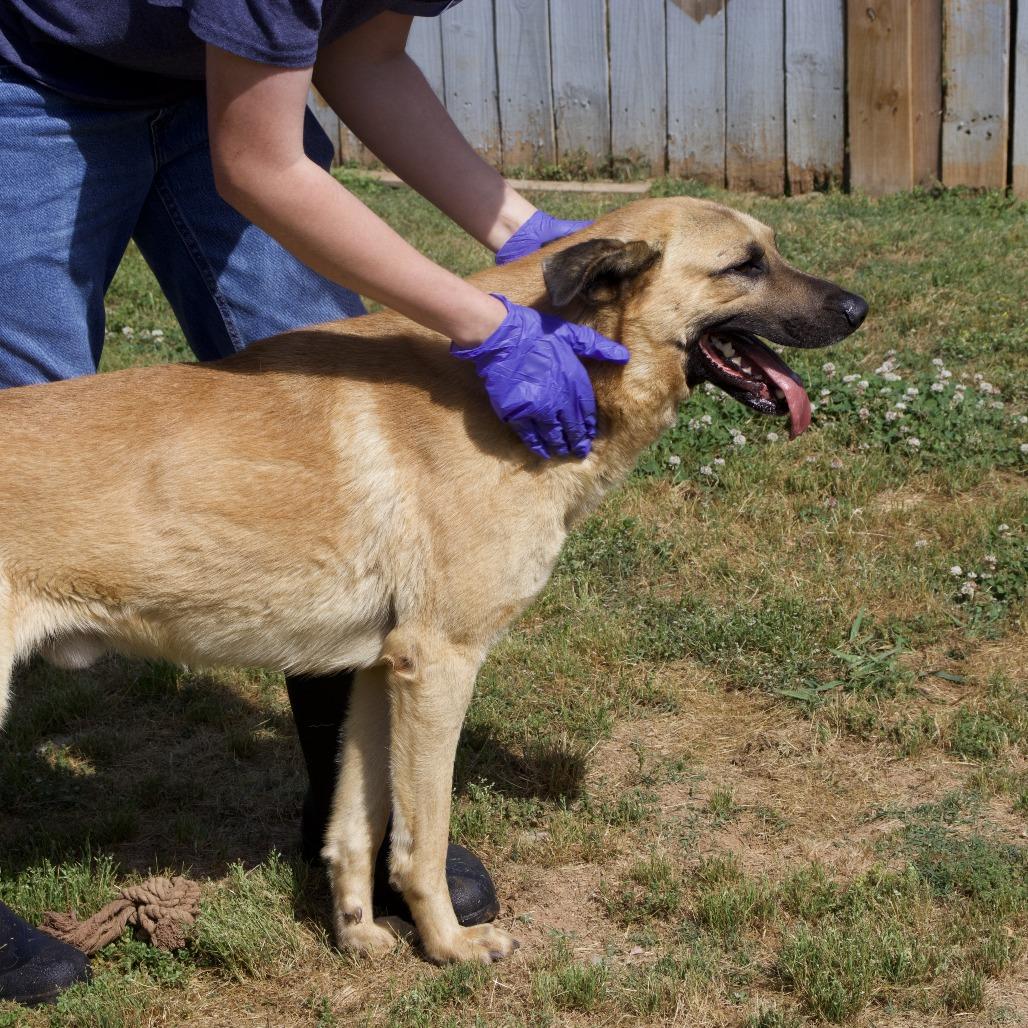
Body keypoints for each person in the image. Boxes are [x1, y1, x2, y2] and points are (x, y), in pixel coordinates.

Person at [0, 0, 628, 1006]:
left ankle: (359, 828)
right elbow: (254, 164)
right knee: (36, 437)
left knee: (326, 383)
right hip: (35, 86)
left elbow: (365, 54)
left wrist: (526, 235)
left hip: (242, 80)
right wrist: (482, 320)